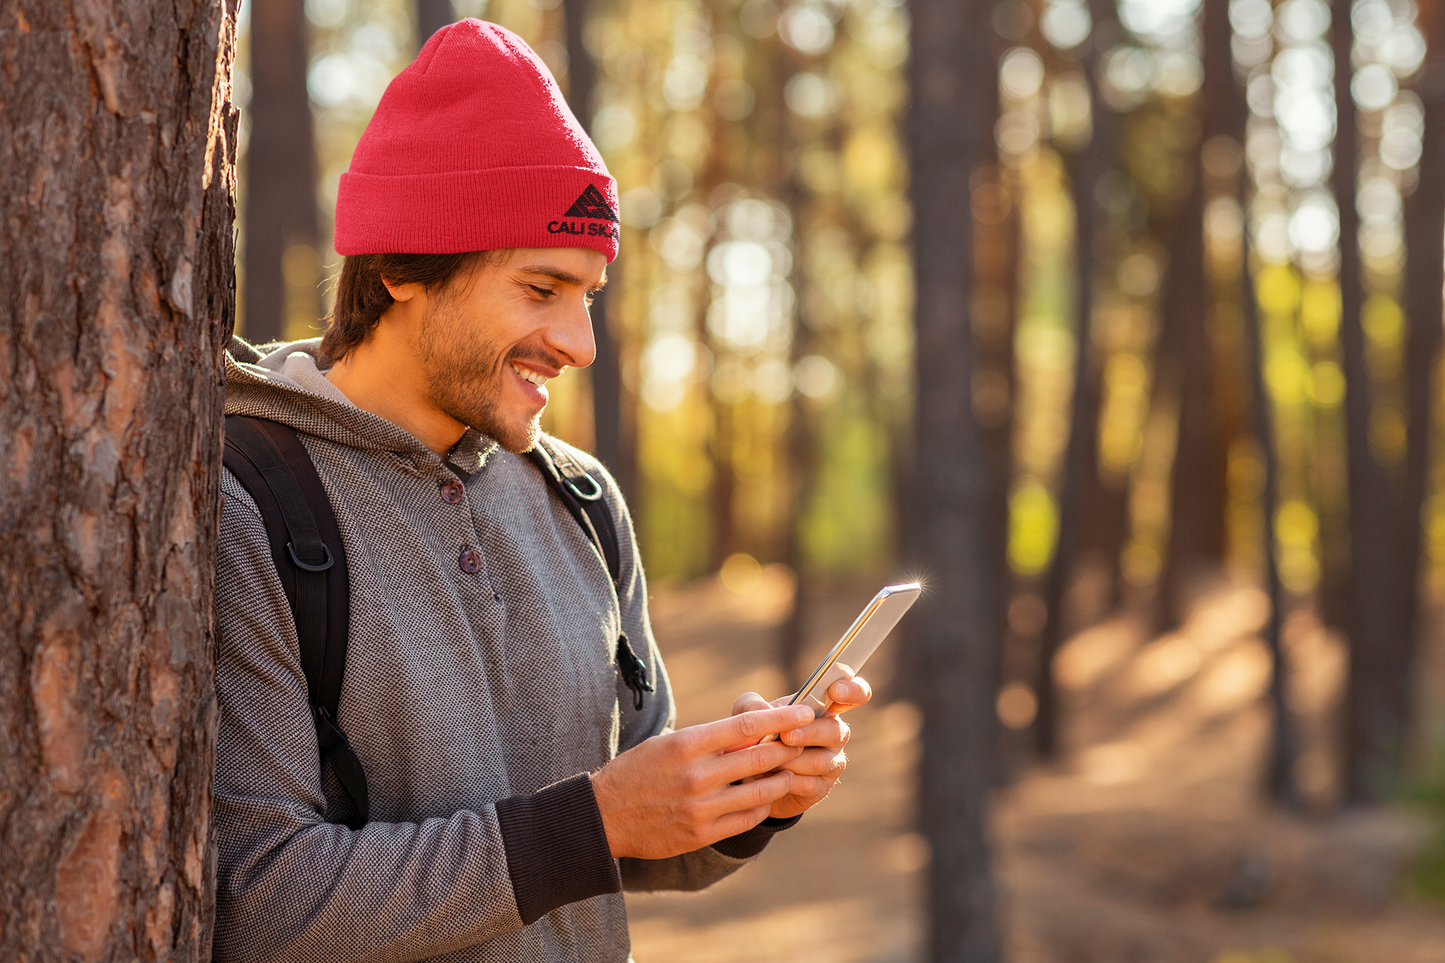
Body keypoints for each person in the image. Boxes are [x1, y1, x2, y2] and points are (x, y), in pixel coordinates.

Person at [213, 19, 870, 963]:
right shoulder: (251, 503)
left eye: (588, 295)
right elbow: (259, 898)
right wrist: (593, 822)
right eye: (541, 288)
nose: (579, 342)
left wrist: (743, 795)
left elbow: (627, 839)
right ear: (402, 265)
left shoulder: (581, 502)